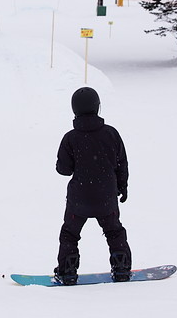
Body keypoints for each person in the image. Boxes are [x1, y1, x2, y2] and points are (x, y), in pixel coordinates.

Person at [54, 87, 132, 285]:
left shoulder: (70, 138)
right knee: (114, 232)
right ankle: (121, 268)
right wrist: (122, 187)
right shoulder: (111, 134)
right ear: (97, 107)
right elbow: (122, 163)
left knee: (70, 234)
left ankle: (67, 271)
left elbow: (63, 169)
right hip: (106, 197)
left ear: (74, 110)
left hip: (78, 200)